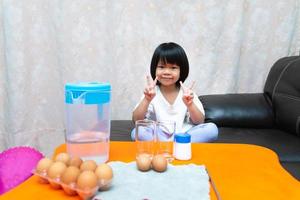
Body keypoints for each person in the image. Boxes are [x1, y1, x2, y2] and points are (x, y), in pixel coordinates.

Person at [131, 42, 218, 142]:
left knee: (212, 129)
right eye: (162, 67)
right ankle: (176, 146)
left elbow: (200, 121)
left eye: (173, 68)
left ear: (181, 71)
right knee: (137, 132)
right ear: (154, 68)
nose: (167, 72)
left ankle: (170, 146)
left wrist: (190, 104)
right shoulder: (151, 93)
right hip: (160, 135)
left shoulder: (187, 93)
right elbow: (136, 120)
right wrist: (146, 100)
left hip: (183, 135)